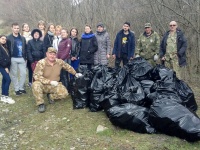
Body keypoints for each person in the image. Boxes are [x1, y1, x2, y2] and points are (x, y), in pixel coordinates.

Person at [32, 47, 82, 113]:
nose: (52, 56)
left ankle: (51, 96)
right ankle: (40, 104)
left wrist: (75, 73)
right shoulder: (41, 63)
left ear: (56, 55)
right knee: (35, 84)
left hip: (55, 84)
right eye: (50, 54)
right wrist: (50, 82)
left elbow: (68, 67)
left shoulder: (59, 62)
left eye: (54, 54)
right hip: (44, 85)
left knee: (64, 93)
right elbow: (36, 76)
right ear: (46, 54)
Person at [7, 23, 27, 96]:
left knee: (24, 73)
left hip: (22, 58)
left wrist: (25, 57)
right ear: (12, 28)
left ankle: (21, 87)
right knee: (14, 74)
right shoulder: (8, 38)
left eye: (18, 28)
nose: (16, 29)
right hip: (13, 58)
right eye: (15, 28)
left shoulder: (22, 38)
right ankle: (16, 89)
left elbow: (25, 48)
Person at [0, 35, 15, 104]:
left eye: (5, 39)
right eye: (2, 39)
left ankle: (3, 96)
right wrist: (5, 67)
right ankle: (6, 96)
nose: (4, 40)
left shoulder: (4, 47)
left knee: (4, 80)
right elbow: (1, 59)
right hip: (2, 66)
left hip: (6, 65)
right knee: (8, 80)